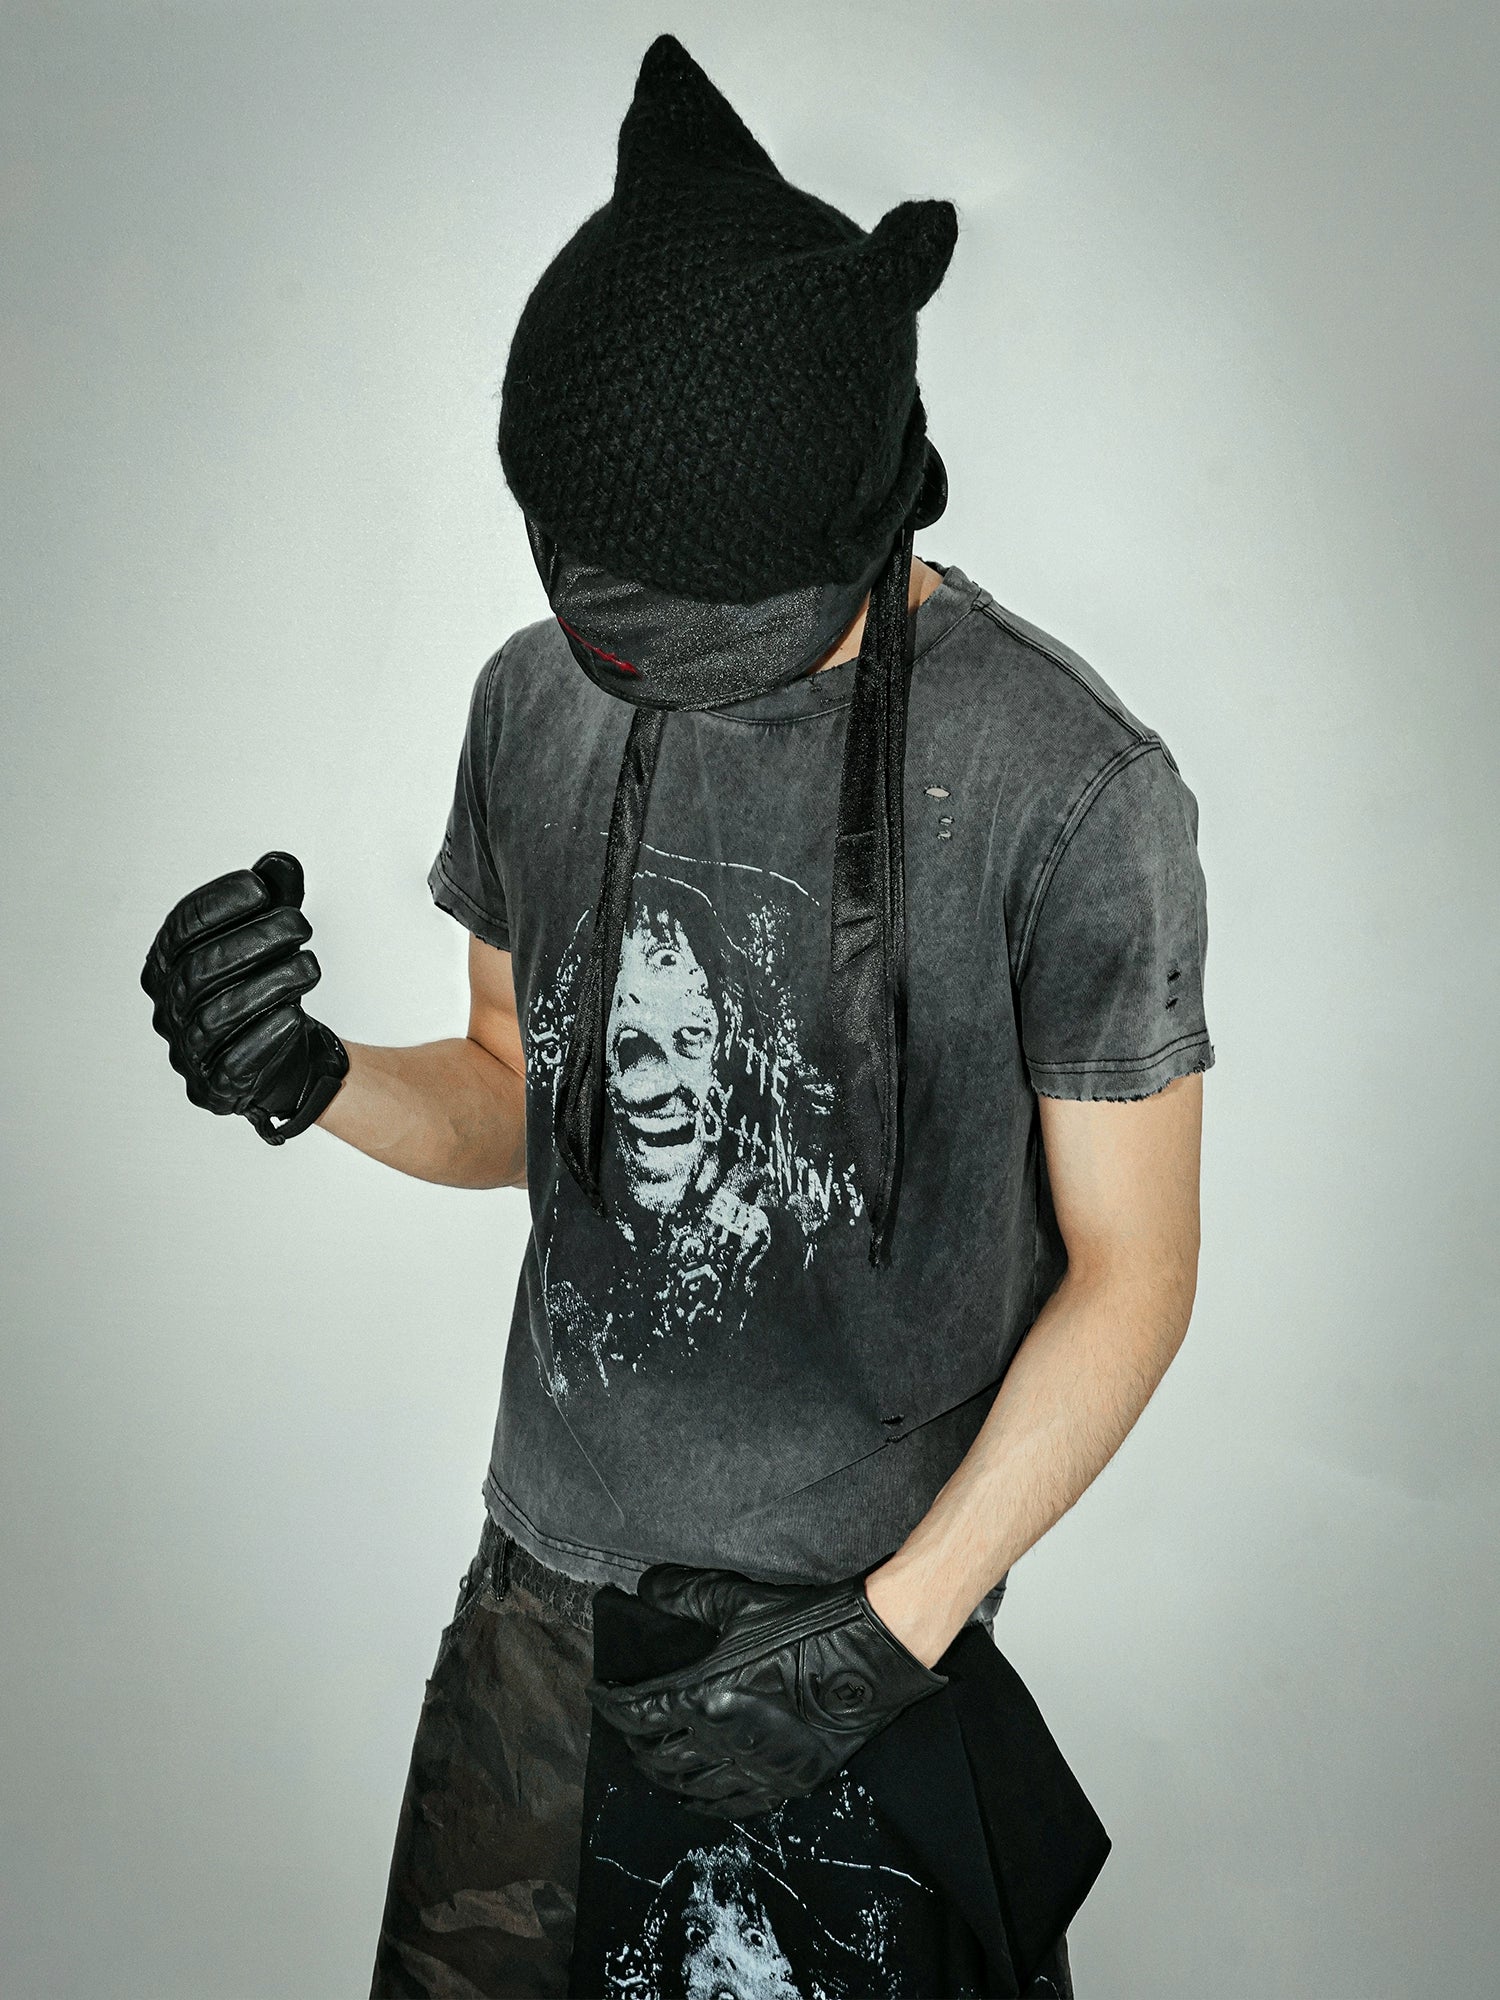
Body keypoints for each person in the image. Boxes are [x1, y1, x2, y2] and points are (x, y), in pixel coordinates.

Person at [140, 33, 1213, 1999]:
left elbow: (1137, 1269)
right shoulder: (531, 703)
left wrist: (891, 1631)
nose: (623, 660)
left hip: (855, 1649)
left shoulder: (1070, 785)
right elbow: (509, 1088)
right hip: (533, 1623)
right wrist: (309, 1078)